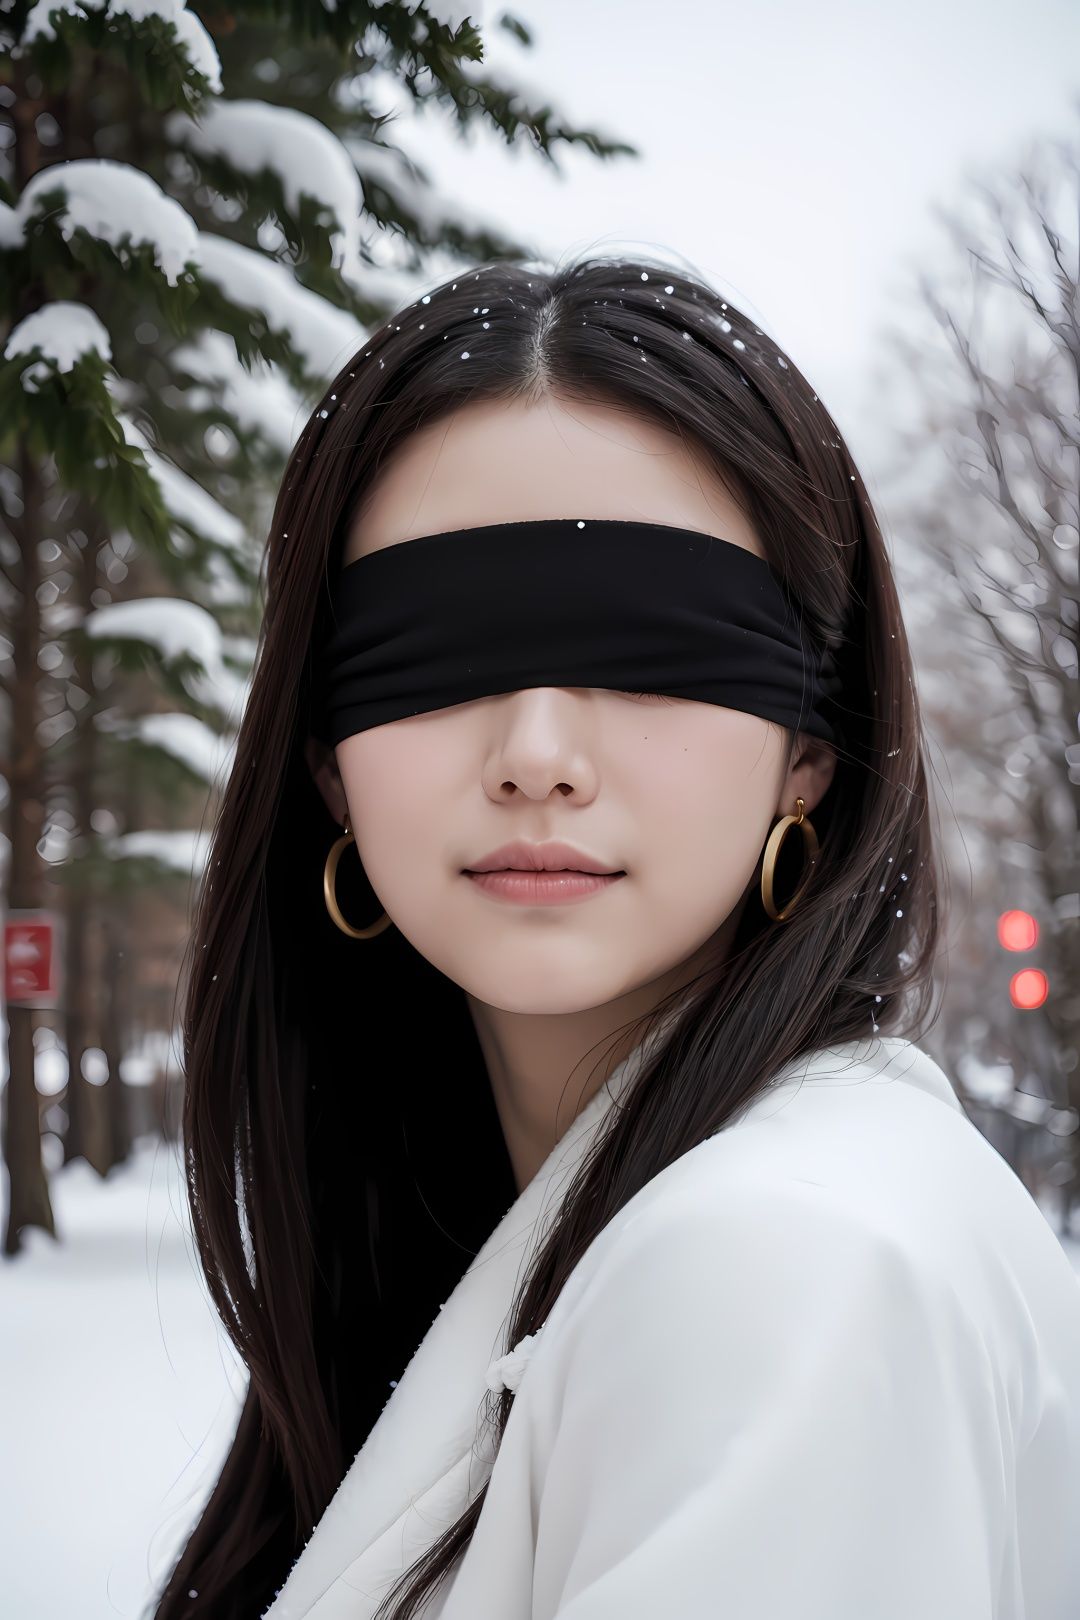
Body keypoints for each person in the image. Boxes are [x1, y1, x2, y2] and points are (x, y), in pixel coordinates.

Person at [153, 255, 1080, 1620]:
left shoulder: (775, 1268)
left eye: (653, 648)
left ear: (809, 753)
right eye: (434, 649)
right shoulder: (589, 1229)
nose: (537, 756)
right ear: (327, 759)